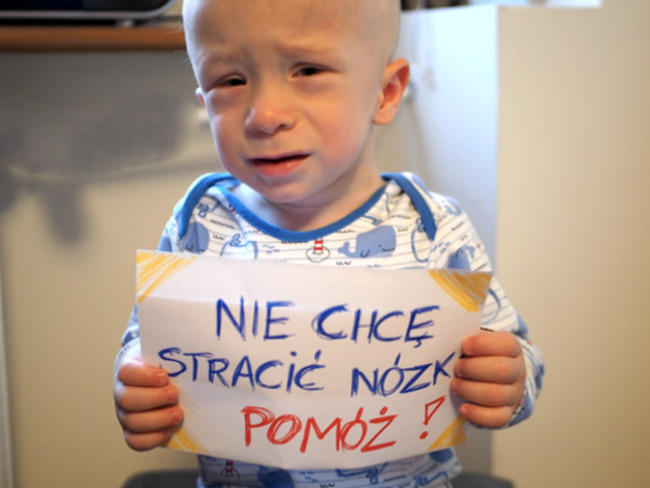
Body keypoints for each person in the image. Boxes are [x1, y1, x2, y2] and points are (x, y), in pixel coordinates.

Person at [113, 1, 544, 487]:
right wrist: (134, 387)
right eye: (231, 80)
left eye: (308, 70)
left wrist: (508, 381)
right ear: (202, 102)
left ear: (385, 93)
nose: (264, 116)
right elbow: (142, 347)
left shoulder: (434, 227)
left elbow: (519, 356)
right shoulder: (198, 222)